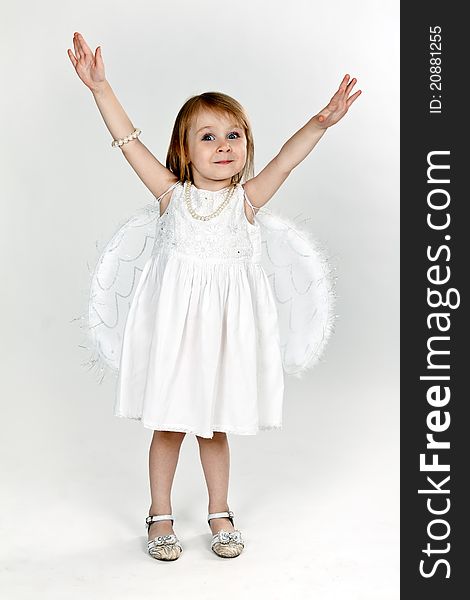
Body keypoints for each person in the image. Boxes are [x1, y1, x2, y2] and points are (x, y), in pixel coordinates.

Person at [67, 31, 361, 562]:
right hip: (175, 332)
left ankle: (219, 511)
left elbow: (286, 162)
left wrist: (319, 123)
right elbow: (128, 141)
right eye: (207, 137)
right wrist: (100, 88)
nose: (223, 145)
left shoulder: (247, 201)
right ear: (183, 150)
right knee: (170, 424)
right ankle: (159, 514)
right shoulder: (170, 196)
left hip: (223, 335)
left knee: (215, 426)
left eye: (233, 135)